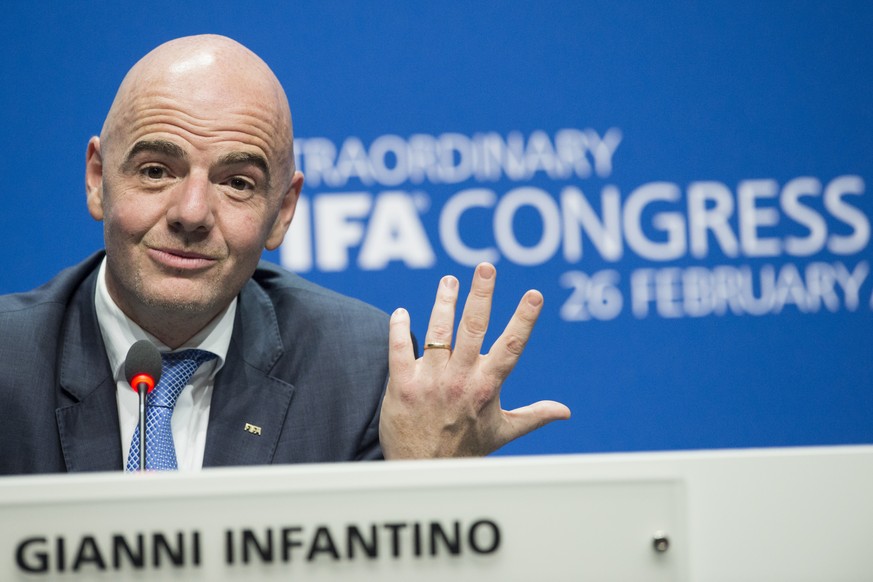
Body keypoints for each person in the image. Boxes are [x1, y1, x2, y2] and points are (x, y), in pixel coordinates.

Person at [0, 34, 569, 475]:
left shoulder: (360, 372)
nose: (192, 212)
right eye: (156, 171)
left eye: (238, 183)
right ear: (98, 180)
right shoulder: (9, 363)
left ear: (283, 211)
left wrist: (424, 489)